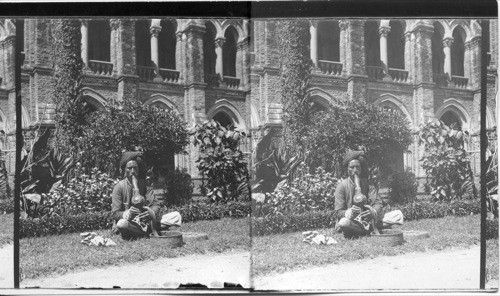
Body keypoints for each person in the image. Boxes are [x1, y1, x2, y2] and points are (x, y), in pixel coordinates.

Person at [111, 151, 161, 239]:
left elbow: (155, 204)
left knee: (175, 216)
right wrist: (127, 214)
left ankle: (140, 231)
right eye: (129, 168)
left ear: (139, 169)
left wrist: (150, 212)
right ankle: (146, 232)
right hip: (130, 222)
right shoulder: (119, 187)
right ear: (124, 170)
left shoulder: (145, 185)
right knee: (121, 224)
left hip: (145, 221)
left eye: (135, 168)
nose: (132, 171)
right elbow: (115, 213)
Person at [334, 151, 384, 238]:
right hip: (352, 221)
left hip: (368, 220)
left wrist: (372, 212)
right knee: (343, 222)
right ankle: (367, 230)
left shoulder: (368, 184)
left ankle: (361, 230)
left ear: (361, 168)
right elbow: (338, 211)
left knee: (397, 215)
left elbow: (378, 203)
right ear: (347, 169)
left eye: (357, 167)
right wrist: (348, 213)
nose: (355, 171)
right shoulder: (341, 186)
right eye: (352, 167)